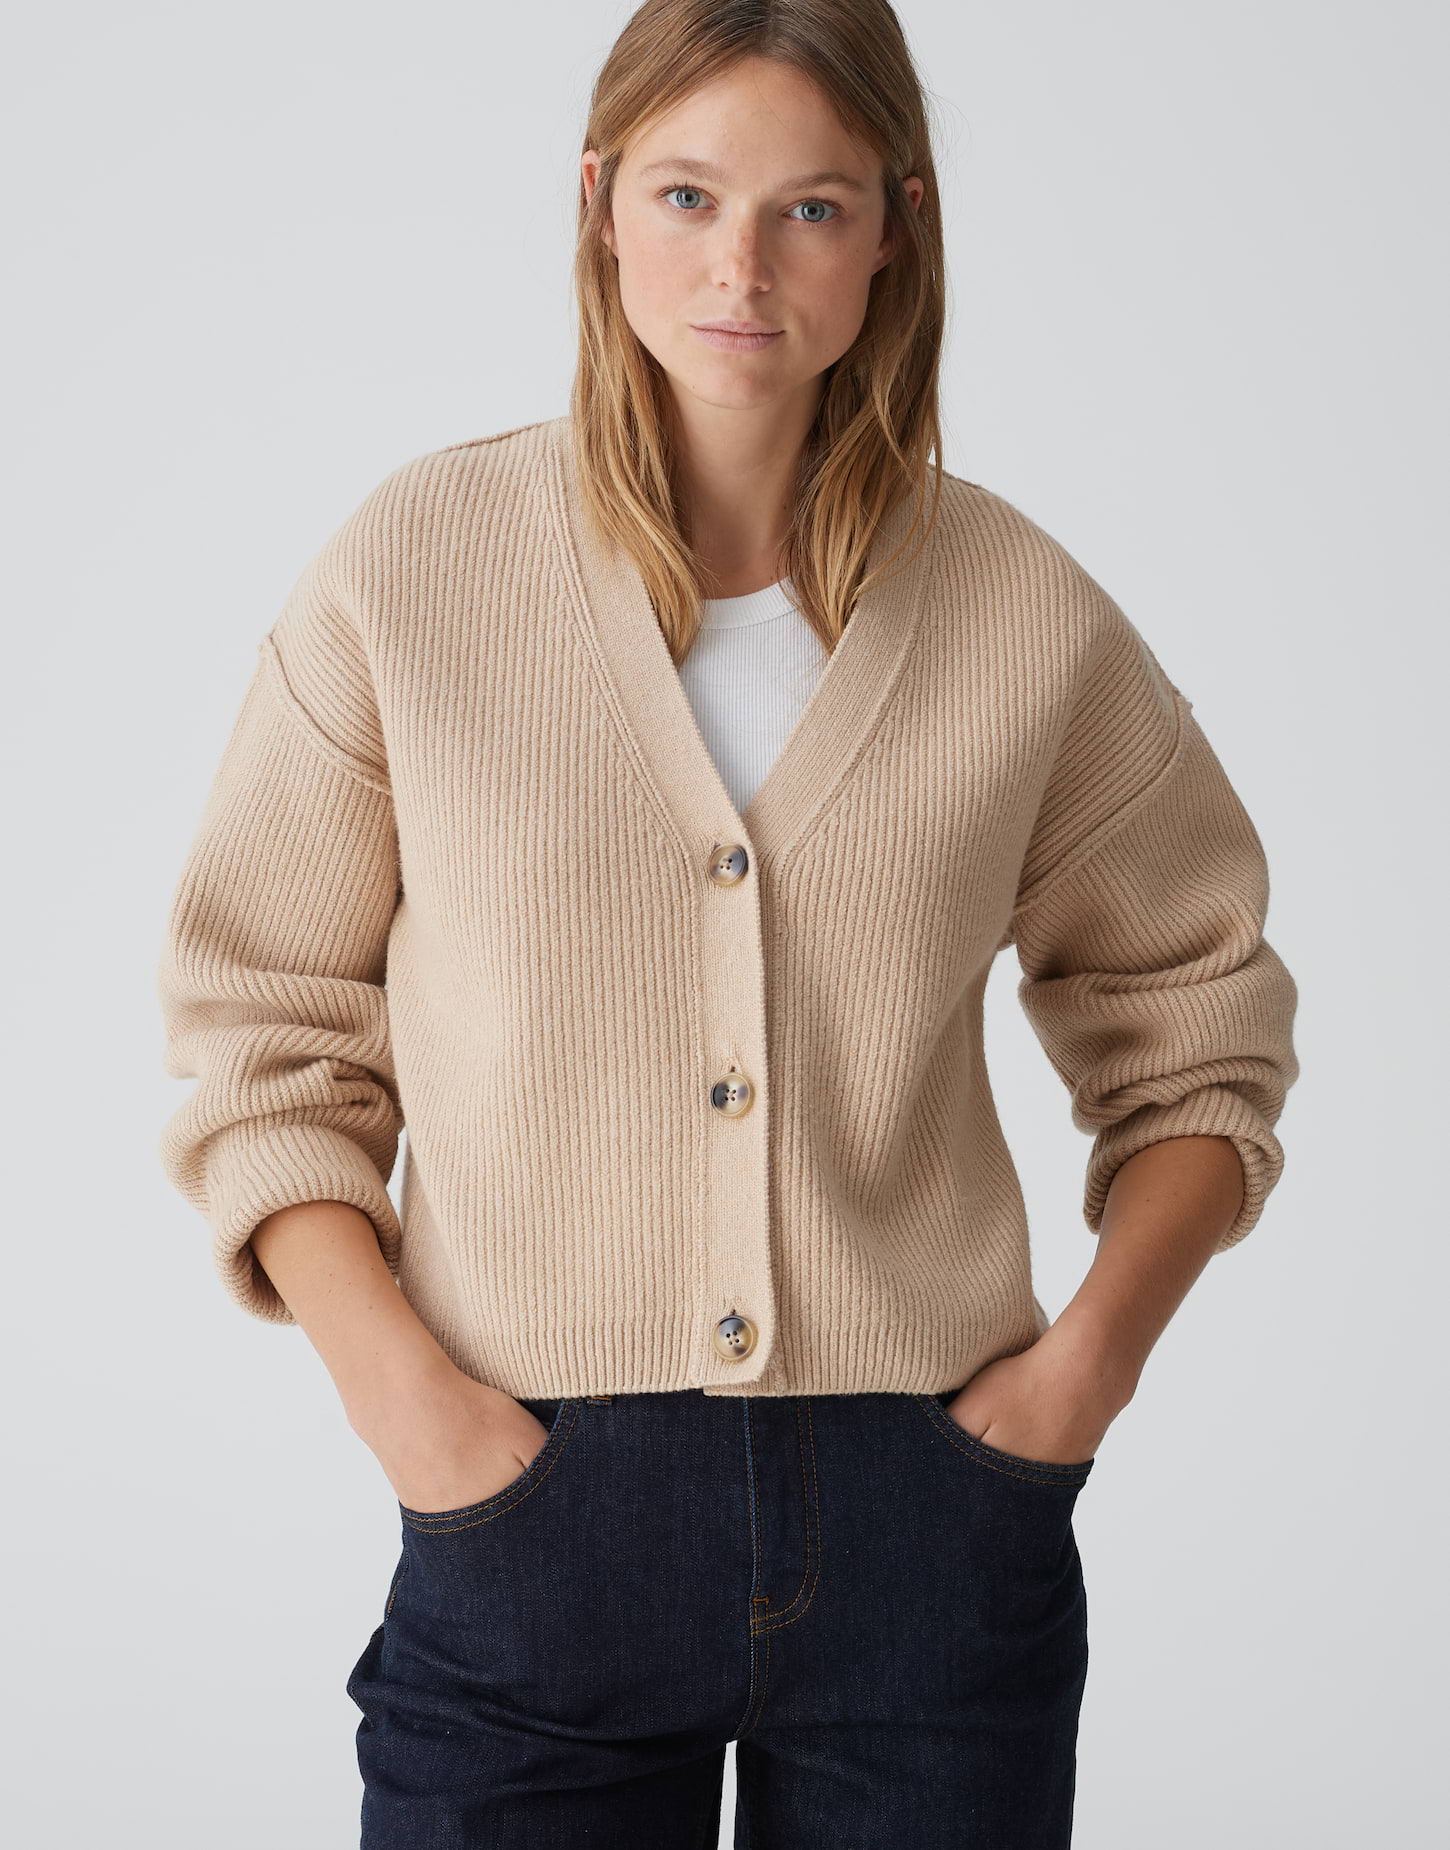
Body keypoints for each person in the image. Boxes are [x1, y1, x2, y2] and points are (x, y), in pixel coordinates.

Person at [156, 3, 1299, 1844]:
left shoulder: (1017, 609)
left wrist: (1082, 1372)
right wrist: (411, 1407)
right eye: (687, 195)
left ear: (895, 228)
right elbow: (260, 1030)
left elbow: (1199, 1026)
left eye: (809, 209)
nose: (740, 269)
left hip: (931, 1516)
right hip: (526, 1504)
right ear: (598, 204)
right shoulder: (413, 572)